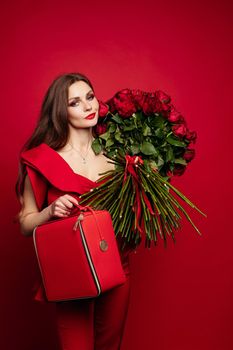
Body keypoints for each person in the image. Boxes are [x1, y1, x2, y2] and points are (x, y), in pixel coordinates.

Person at [15, 72, 133, 350]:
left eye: (90, 97)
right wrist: (51, 210)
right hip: (71, 267)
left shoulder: (119, 154)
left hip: (117, 262)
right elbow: (25, 224)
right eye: (75, 102)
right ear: (61, 110)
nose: (88, 107)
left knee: (110, 346)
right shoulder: (42, 159)